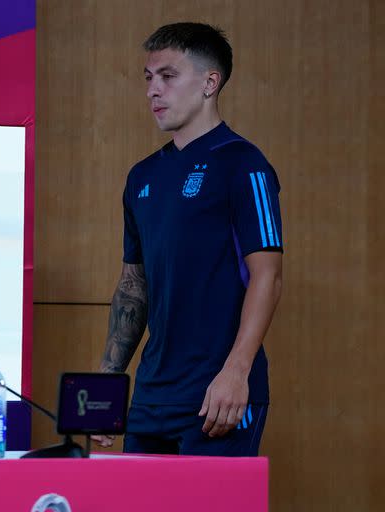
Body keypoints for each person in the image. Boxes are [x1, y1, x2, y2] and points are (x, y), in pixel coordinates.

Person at [94, 22, 283, 456]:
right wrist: (108, 379)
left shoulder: (244, 164)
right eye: (148, 79)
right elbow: (132, 286)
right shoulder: (141, 176)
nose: (152, 91)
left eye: (167, 76)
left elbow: (267, 277)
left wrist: (237, 371)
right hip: (151, 396)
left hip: (219, 396)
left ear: (209, 83)